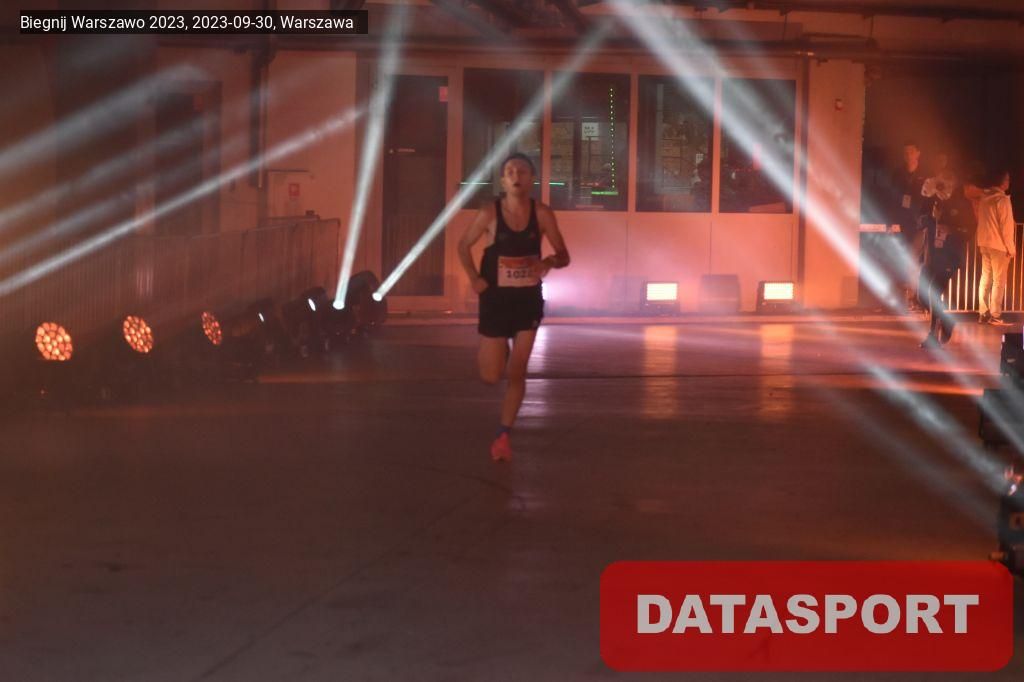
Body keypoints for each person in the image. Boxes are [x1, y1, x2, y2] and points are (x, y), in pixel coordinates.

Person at [457, 153, 570, 462]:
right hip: (495, 301)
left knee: (517, 372)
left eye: (522, 171)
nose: (516, 176)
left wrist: (548, 262)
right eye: (510, 171)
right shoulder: (489, 213)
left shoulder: (542, 214)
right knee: (491, 375)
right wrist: (474, 278)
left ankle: (502, 436)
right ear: (503, 180)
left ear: (531, 178)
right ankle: (495, 350)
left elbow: (564, 255)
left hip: (527, 301)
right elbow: (463, 245)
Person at [919, 169, 974, 347]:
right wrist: (931, 217)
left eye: (947, 183)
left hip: (948, 257)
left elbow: (970, 229)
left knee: (933, 293)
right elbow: (919, 220)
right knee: (921, 296)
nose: (943, 186)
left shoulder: (961, 203)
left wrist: (950, 229)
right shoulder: (931, 200)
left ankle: (932, 336)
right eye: (941, 182)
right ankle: (947, 321)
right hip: (930, 255)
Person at [890, 141, 928, 312]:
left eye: (911, 151)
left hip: (920, 223)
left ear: (918, 153)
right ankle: (903, 296)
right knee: (902, 258)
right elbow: (892, 197)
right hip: (902, 223)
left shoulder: (926, 174)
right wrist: (893, 221)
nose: (908, 155)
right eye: (905, 152)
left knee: (915, 259)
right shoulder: (898, 173)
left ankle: (913, 297)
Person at [976, 170, 1015, 325]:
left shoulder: (984, 198)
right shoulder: (1002, 200)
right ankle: (995, 315)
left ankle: (983, 312)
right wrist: (1010, 248)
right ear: (1003, 182)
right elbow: (1006, 227)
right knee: (999, 280)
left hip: (984, 242)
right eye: (1007, 180)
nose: (1009, 182)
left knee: (985, 277)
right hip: (999, 245)